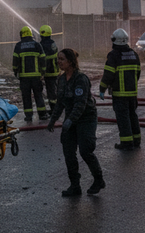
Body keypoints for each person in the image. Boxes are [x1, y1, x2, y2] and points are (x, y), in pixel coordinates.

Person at [46, 48, 104, 196]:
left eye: (62, 59)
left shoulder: (81, 79)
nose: (59, 62)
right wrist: (52, 120)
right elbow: (60, 103)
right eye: (58, 59)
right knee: (68, 152)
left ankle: (98, 179)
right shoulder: (61, 80)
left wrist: (70, 120)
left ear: (71, 62)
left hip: (86, 118)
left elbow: (80, 103)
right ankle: (75, 185)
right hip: (71, 119)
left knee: (85, 151)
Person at [99, 28, 142, 150]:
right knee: (132, 115)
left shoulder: (113, 55)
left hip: (119, 94)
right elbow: (137, 73)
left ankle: (127, 142)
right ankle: (136, 139)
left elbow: (108, 75)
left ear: (114, 41)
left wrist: (102, 88)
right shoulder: (134, 54)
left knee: (123, 118)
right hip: (132, 93)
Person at [13, 26, 48, 121]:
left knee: (26, 97)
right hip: (36, 76)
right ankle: (42, 115)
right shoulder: (37, 45)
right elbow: (43, 59)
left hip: (24, 77)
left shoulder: (18, 46)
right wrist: (42, 72)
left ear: (21, 35)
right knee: (38, 95)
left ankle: (28, 116)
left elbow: (15, 61)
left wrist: (15, 71)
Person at [39, 25, 60, 115]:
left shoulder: (41, 45)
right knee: (55, 89)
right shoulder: (53, 43)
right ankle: (57, 107)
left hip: (47, 72)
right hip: (55, 70)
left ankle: (54, 110)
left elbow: (41, 58)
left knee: (51, 92)